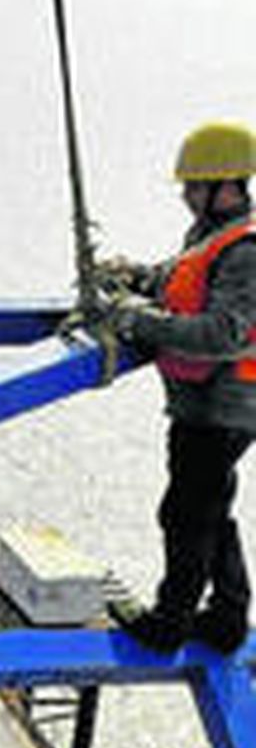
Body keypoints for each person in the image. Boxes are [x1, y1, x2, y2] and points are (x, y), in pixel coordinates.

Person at [101, 120, 256, 655]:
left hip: (224, 405)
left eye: (196, 186)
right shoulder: (214, 236)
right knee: (211, 507)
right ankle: (228, 616)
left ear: (228, 185)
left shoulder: (247, 251)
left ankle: (170, 621)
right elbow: (176, 280)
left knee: (186, 513)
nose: (187, 196)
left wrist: (135, 321)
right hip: (210, 403)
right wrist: (133, 278)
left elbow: (222, 334)